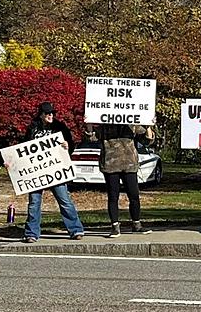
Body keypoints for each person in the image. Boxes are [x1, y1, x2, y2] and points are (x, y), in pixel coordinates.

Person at [20, 102, 85, 243]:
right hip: (37, 172)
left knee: (65, 200)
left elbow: (70, 144)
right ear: (41, 114)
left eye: (52, 113)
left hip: (56, 170)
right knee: (34, 203)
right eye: (47, 113)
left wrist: (67, 146)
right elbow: (24, 147)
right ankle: (31, 233)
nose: (50, 115)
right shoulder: (32, 127)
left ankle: (76, 229)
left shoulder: (60, 127)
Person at [100, 123, 154, 236]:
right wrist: (89, 124)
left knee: (134, 195)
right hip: (111, 165)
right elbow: (92, 137)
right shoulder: (105, 124)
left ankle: (136, 224)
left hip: (129, 164)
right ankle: (115, 226)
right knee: (113, 196)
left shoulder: (132, 124)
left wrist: (148, 125)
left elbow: (146, 140)